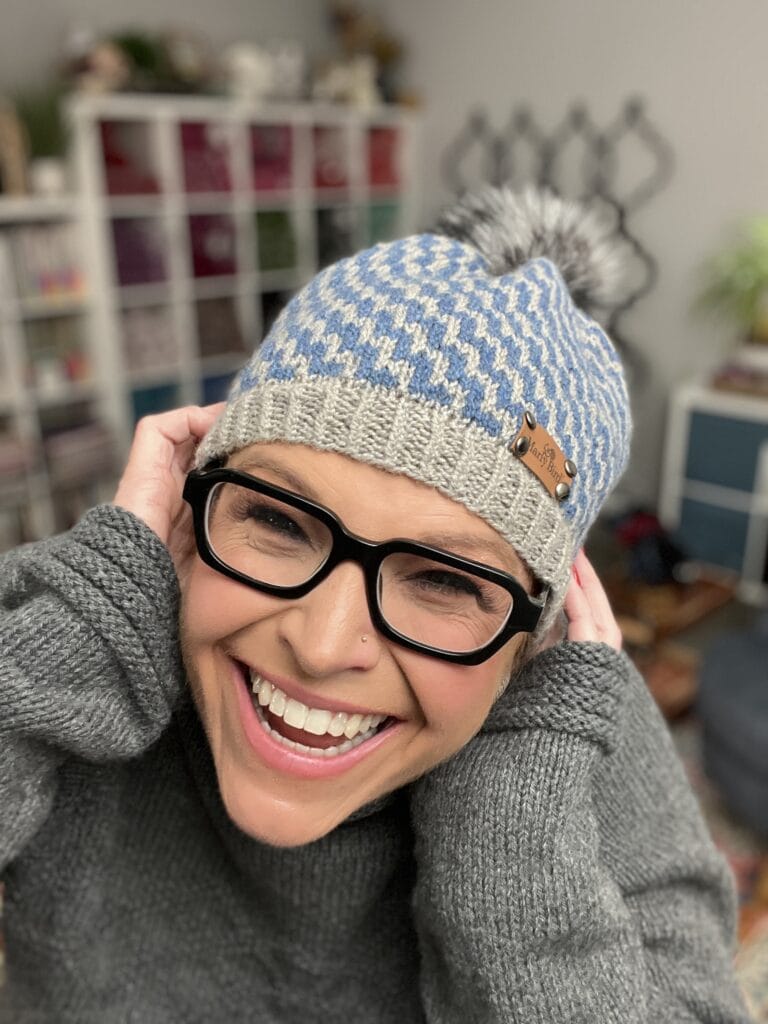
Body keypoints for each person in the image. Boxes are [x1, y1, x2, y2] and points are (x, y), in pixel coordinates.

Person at [0, 187, 750, 1022]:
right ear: (187, 502)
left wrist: (513, 844)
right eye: (279, 521)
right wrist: (81, 635)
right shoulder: (73, 644)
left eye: (445, 581)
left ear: (535, 636)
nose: (323, 645)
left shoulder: (584, 731)